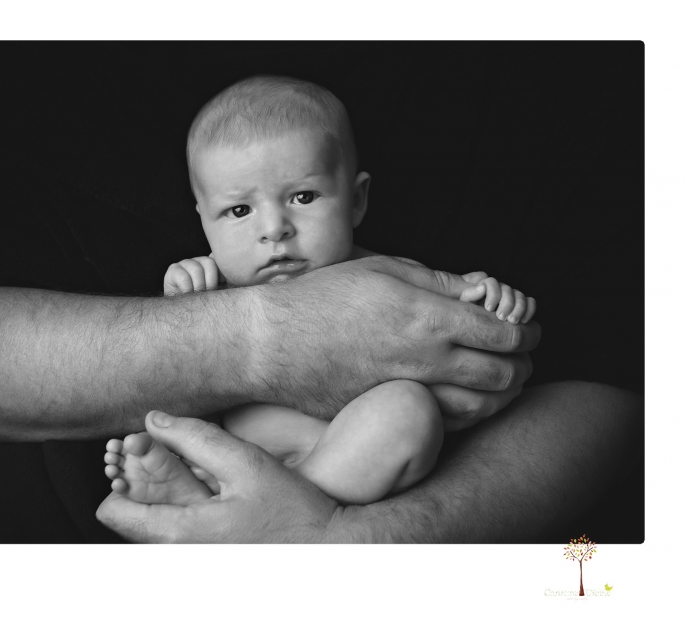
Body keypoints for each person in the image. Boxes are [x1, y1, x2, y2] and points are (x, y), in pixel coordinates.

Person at [103, 76, 538, 507]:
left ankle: (268, 504)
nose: (274, 229)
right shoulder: (210, 287)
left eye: (304, 197)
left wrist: (491, 300)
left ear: (356, 200)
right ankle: (208, 492)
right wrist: (182, 305)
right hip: (236, 458)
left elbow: (452, 314)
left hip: (354, 462)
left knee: (407, 408)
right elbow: (169, 372)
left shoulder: (382, 275)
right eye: (239, 210)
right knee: (160, 419)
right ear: (203, 221)